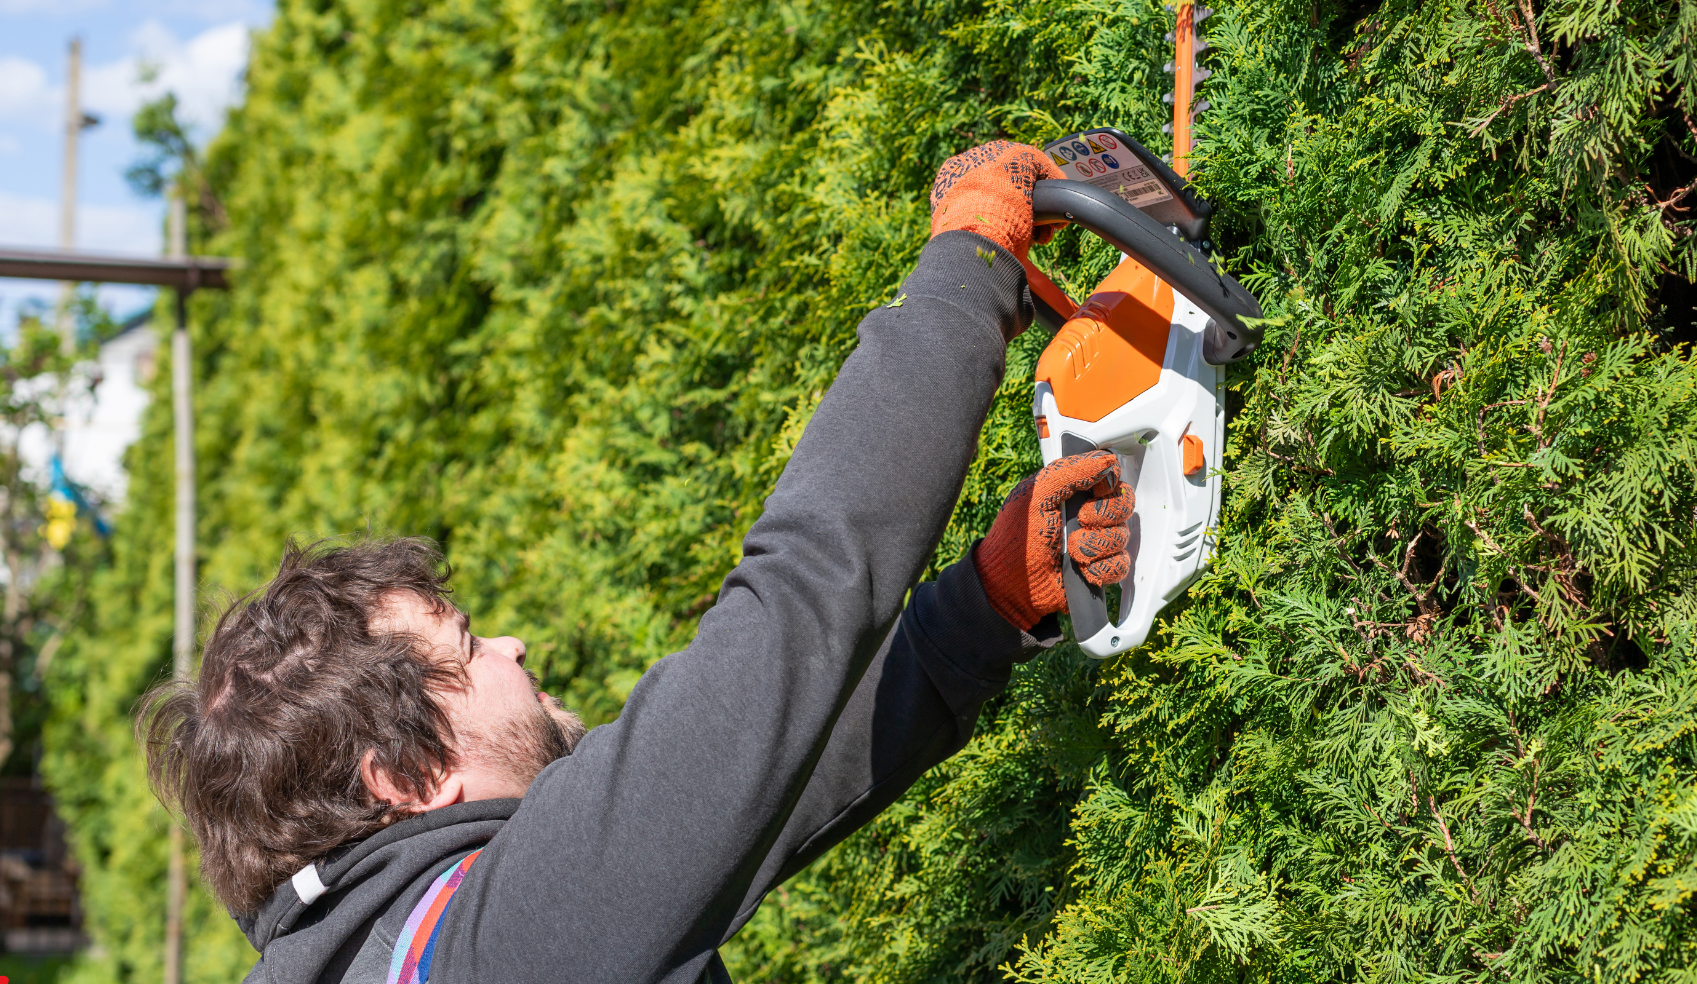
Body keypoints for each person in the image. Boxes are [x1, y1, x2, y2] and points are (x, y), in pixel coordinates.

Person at [139, 141, 1138, 984]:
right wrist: (968, 266)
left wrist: (987, 603)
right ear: (408, 771)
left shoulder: (413, 947)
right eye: (471, 647)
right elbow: (794, 604)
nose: (515, 646)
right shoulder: (483, 958)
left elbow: (744, 802)